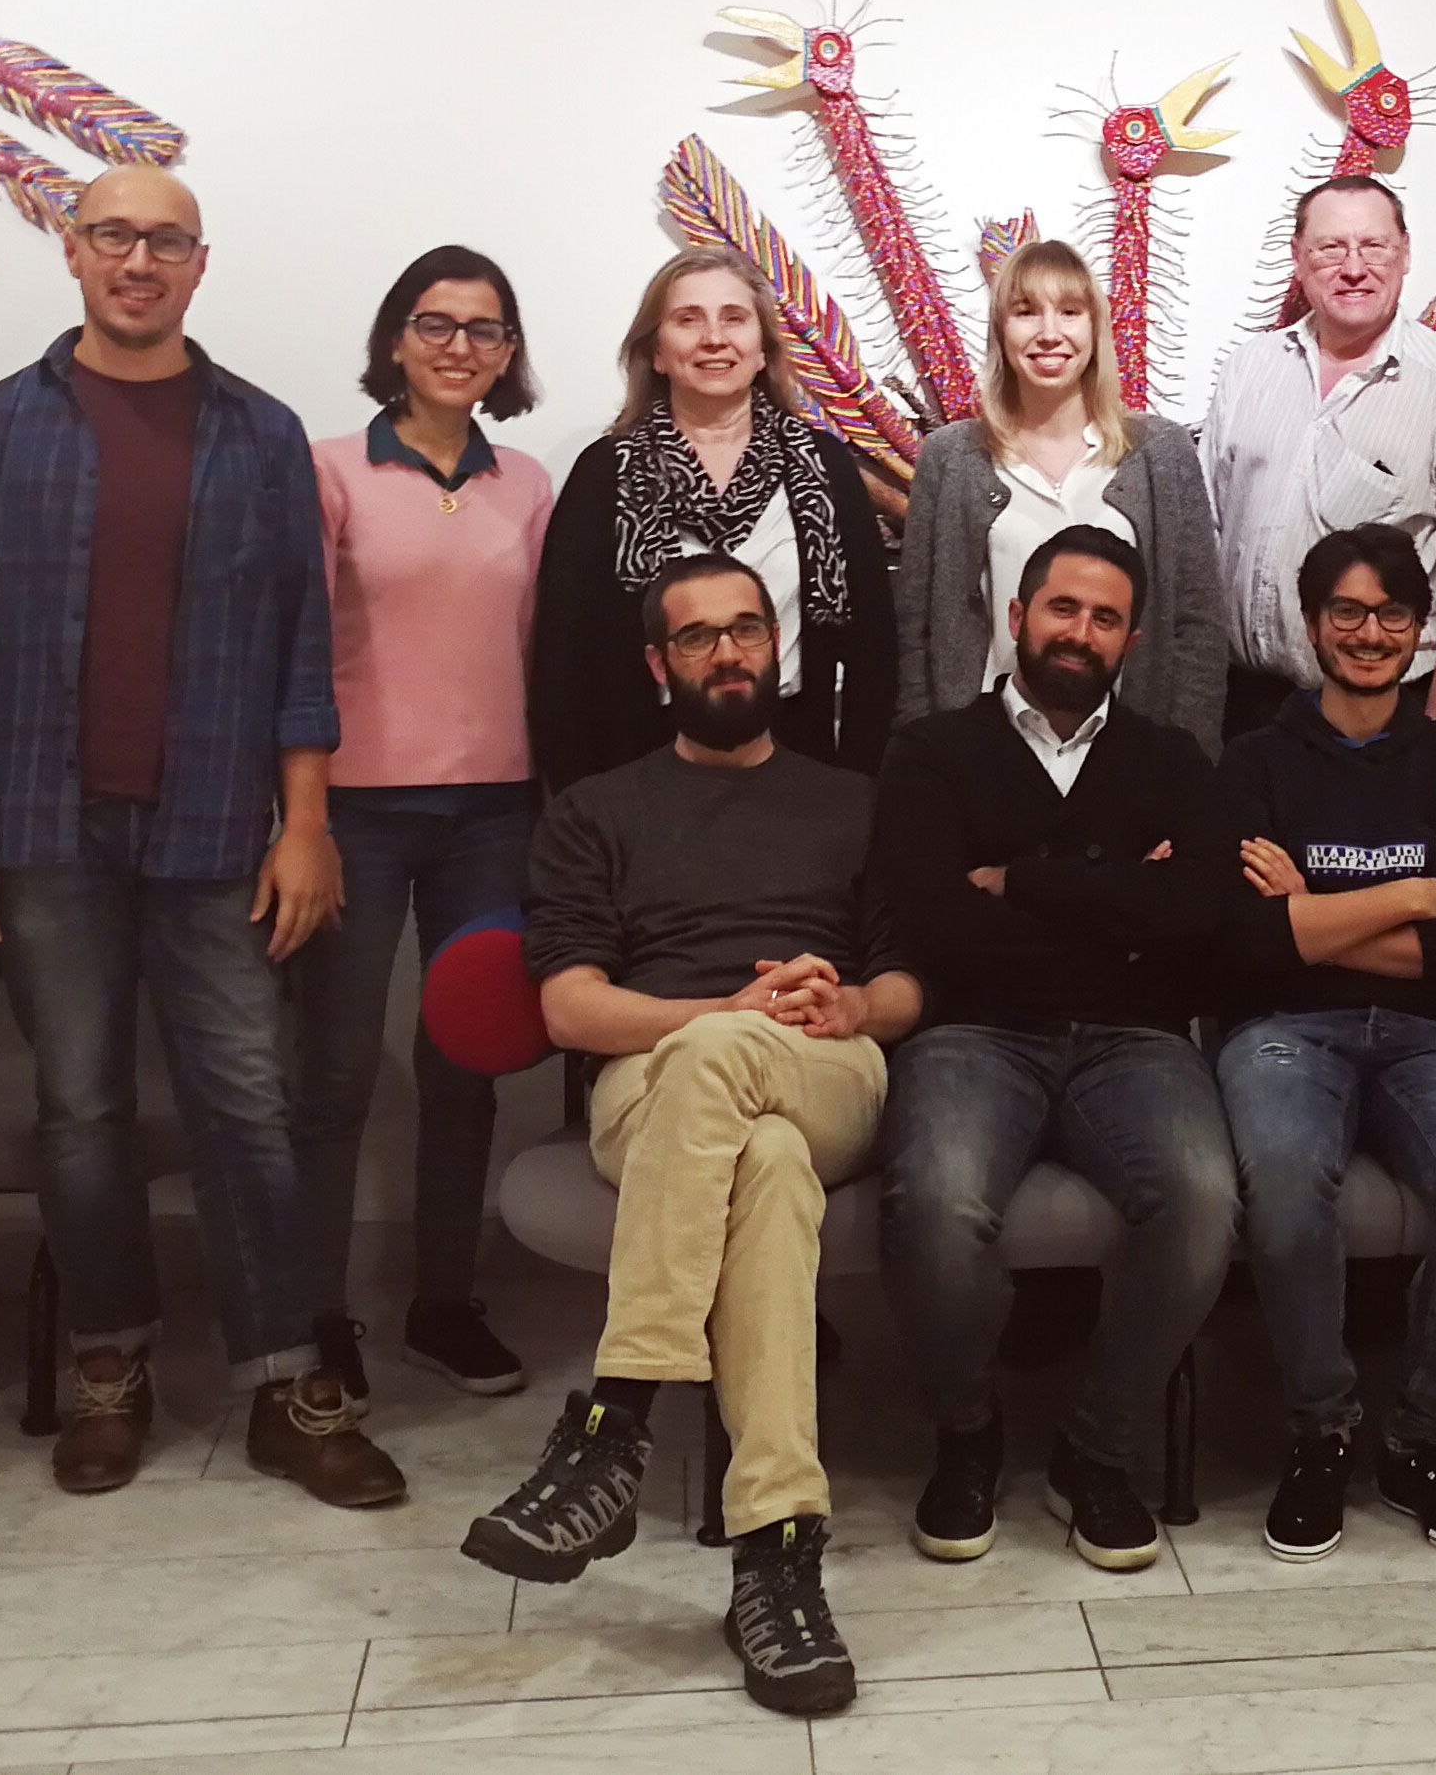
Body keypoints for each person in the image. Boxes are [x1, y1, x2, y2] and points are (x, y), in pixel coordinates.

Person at [0, 163, 400, 1506]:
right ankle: (108, 1365)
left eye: (165, 240)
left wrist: (306, 825)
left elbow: (303, 653)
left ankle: (287, 1384)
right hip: (37, 829)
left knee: (247, 1103)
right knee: (80, 1109)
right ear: (71, 251)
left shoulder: (262, 436)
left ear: (200, 264)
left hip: (213, 833)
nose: (139, 259)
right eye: (114, 235)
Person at [460, 553, 918, 1715]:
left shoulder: (855, 801)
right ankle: (777, 1562)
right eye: (700, 636)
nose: (729, 653)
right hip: (655, 1086)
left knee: (746, 1084)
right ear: (659, 664)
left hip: (827, 1068)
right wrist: (725, 1012)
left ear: (776, 645)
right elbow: (572, 1011)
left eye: (747, 629)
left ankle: (613, 1426)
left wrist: (852, 1005)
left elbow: (911, 985)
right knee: (759, 1154)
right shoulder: (595, 810)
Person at [874, 526, 1239, 1574]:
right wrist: (1119, 897)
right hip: (972, 1033)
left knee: (1203, 1198)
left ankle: (1099, 1449)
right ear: (1017, 615)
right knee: (936, 1202)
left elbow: (1195, 915)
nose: (1081, 632)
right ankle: (967, 1432)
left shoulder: (1172, 759)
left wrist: (1023, 879)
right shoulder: (930, 752)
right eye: (1063, 608)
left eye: (1106, 617)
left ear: (1131, 640)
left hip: (1134, 1041)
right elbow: (936, 924)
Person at [1219, 524, 1436, 1562]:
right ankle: (1323, 1430)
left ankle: (1423, 1439)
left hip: (1424, 1037)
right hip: (1281, 1032)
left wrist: (1312, 914)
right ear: (1312, 625)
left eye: (1392, 613)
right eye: (1345, 612)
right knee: (1283, 1173)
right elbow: (1243, 946)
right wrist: (1411, 897)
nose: (1368, 633)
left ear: (1420, 628)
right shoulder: (1253, 761)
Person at [292, 246, 557, 1407]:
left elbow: (544, 652)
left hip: (495, 812)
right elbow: (296, 651)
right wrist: (297, 816)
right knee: (336, 1069)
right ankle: (315, 1315)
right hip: (355, 812)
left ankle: (444, 1303)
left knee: (464, 1065)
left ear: (507, 354)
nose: (459, 347)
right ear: (395, 340)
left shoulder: (529, 484)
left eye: (484, 329)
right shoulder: (329, 470)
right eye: (435, 324)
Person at [529, 246, 895, 791]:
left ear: (763, 350)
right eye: (688, 319)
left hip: (798, 766)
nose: (714, 338)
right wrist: (575, 799)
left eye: (734, 318)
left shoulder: (824, 467)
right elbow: (562, 661)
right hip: (642, 773)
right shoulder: (605, 474)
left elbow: (874, 649)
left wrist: (859, 785)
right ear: (656, 352)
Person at [1199, 177, 1436, 738]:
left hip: (1383, 714)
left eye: (1374, 246)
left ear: (1405, 253)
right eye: (1330, 248)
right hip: (1244, 709)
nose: (1353, 268)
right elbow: (1208, 533)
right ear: (1298, 257)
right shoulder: (1248, 369)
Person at [898, 238, 1224, 755]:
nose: (1049, 333)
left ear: (1095, 328)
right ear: (1000, 330)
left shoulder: (1161, 452)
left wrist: (1188, 760)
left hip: (1127, 754)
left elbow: (1197, 625)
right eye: (1026, 311)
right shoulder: (950, 457)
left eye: (1070, 312)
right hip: (983, 754)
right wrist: (923, 754)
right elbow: (915, 630)